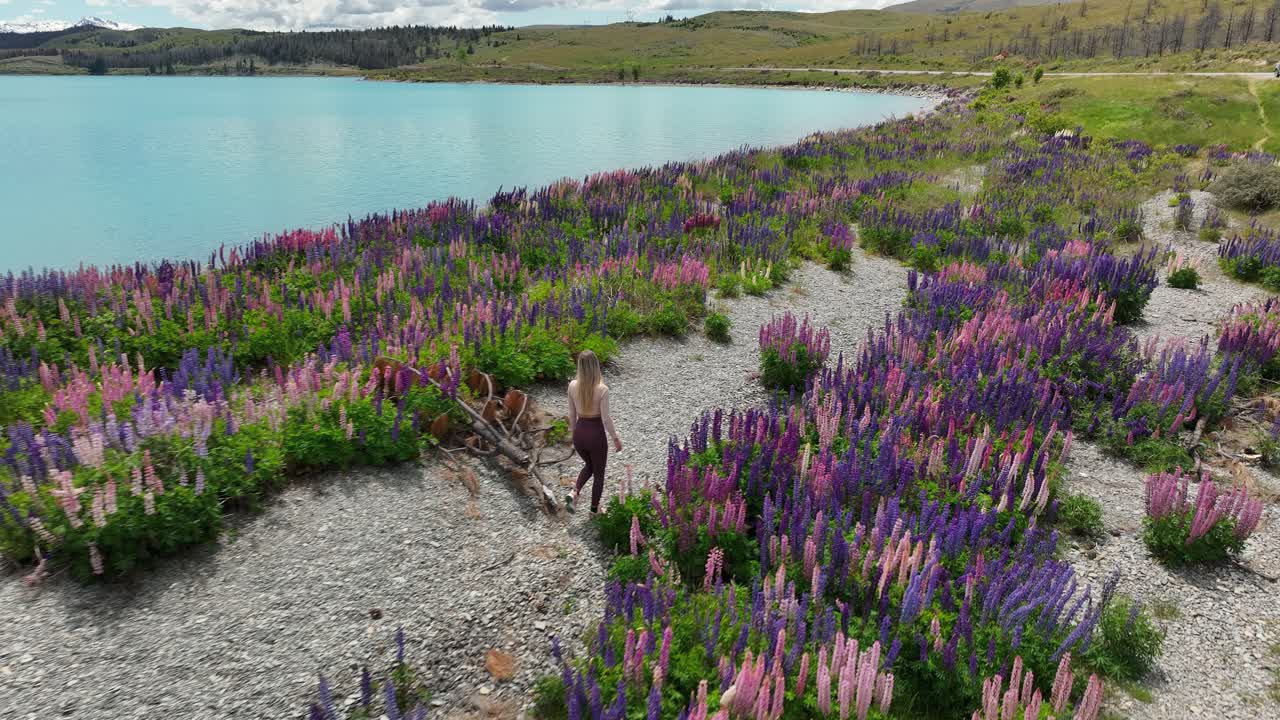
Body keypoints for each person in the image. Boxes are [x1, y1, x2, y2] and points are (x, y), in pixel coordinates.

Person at [567, 350, 621, 513]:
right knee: (599, 474)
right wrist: (615, 437)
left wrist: (573, 435)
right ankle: (594, 510)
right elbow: (605, 418)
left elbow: (571, 414)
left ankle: (574, 492)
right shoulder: (602, 389)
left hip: (579, 435)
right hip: (595, 436)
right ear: (595, 366)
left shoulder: (572, 386)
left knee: (589, 465)